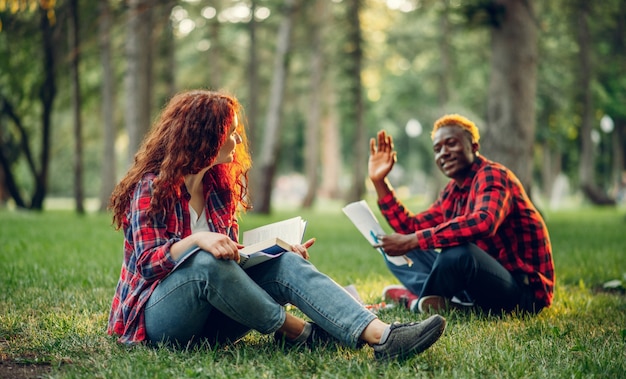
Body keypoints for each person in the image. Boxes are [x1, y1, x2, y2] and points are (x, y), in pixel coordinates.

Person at [107, 90, 446, 361]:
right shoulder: (151, 187)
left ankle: (383, 336)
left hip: (212, 323)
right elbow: (146, 262)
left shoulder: (217, 191)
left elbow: (230, 265)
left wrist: (272, 253)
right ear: (204, 136)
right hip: (159, 323)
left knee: (285, 261)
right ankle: (300, 333)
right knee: (205, 261)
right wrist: (199, 241)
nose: (238, 141)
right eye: (231, 132)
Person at [368, 114, 555, 315]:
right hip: (479, 283)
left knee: (459, 253)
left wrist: (412, 239)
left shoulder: (493, 175)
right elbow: (410, 228)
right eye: (437, 149)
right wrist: (380, 181)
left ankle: (417, 301)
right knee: (400, 250)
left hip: (522, 293)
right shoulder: (452, 192)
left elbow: (484, 222)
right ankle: (443, 301)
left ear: (473, 147)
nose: (444, 153)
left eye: (451, 144)